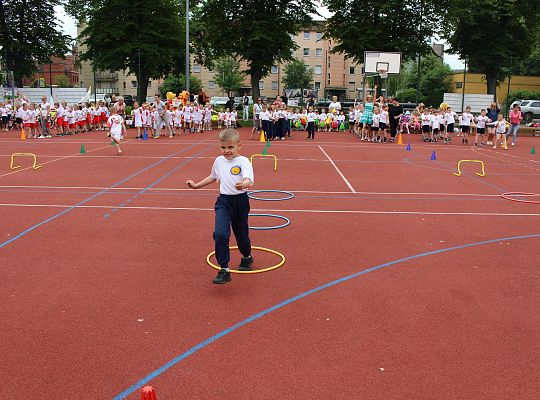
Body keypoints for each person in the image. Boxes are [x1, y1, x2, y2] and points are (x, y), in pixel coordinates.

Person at [186, 128, 254, 284]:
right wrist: (196, 185)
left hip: (240, 201)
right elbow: (213, 176)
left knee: (241, 236)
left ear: (239, 146)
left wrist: (244, 184)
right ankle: (224, 269)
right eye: (223, 147)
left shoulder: (243, 161)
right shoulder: (218, 161)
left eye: (230, 147)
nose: (227, 151)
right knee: (220, 234)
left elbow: (248, 179)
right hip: (223, 202)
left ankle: (247, 256)